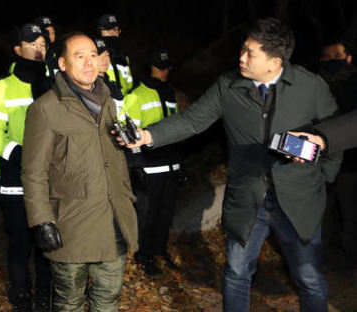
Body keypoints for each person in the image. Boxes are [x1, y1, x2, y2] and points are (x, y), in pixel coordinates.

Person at [119, 18, 341, 312]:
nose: (241, 57)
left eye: (251, 53)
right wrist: (148, 136)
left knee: (309, 277)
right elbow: (192, 119)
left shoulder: (311, 86)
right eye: (243, 49)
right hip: (247, 198)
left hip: (298, 200)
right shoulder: (229, 85)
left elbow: (334, 133)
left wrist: (324, 177)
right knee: (237, 274)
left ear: (275, 62)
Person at [21, 32, 138, 312]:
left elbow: (113, 157)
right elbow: (33, 171)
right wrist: (41, 221)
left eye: (93, 55)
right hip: (71, 227)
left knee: (108, 301)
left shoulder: (109, 101)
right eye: (79, 56)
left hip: (113, 225)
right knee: (69, 303)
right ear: (62, 63)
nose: (89, 62)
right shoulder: (45, 109)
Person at [0, 23, 52, 311]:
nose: (39, 48)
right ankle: (21, 291)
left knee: (49, 240)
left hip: (52, 176)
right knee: (20, 238)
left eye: (42, 44)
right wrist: (24, 154)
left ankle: (47, 293)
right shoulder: (1, 87)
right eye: (32, 43)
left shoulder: (55, 84)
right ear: (17, 49)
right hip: (16, 176)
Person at [124, 49, 181, 276]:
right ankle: (143, 255)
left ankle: (159, 250)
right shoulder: (136, 96)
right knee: (147, 215)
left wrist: (180, 163)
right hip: (149, 167)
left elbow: (176, 130)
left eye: (167, 67)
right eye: (160, 67)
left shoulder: (170, 93)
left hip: (170, 165)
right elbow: (130, 136)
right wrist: (136, 165)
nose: (165, 71)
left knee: (165, 214)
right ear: (151, 68)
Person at [318, 40, 357, 280]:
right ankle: (317, 263)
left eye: (339, 55)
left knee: (351, 215)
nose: (335, 60)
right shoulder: (315, 86)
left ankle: (352, 262)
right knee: (322, 215)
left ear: (349, 57)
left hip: (351, 164)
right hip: (321, 160)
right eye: (329, 57)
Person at [98, 13, 133, 95]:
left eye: (116, 29)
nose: (113, 33)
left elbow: (129, 84)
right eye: (108, 30)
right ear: (100, 31)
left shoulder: (123, 56)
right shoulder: (94, 54)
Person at [95, 37, 124, 117]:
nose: (105, 59)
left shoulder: (110, 84)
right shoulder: (89, 88)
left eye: (107, 55)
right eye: (99, 55)